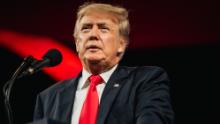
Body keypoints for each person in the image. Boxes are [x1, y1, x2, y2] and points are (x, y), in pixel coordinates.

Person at [33, 2, 174, 124]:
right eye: (86, 28)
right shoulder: (48, 97)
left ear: (121, 44)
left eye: (103, 28)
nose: (93, 35)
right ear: (77, 43)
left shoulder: (145, 81)